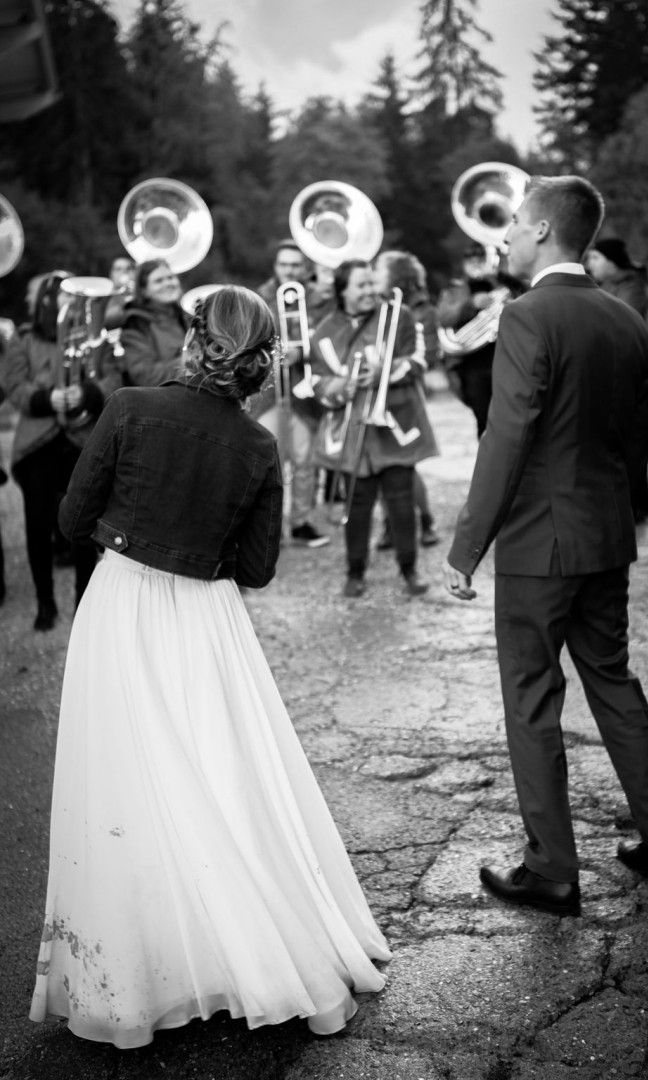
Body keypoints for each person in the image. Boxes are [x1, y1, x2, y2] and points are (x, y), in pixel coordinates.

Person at [29, 286, 391, 1048]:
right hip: (207, 619)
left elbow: (70, 520)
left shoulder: (128, 409)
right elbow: (256, 568)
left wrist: (135, 532)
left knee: (127, 783)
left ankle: (144, 974)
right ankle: (254, 951)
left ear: (194, 342)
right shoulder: (258, 446)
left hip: (121, 608)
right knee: (220, 782)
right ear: (258, 362)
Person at [443, 175, 648, 918]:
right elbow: (637, 437)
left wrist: (466, 546)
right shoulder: (625, 319)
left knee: (531, 699)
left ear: (544, 230)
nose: (505, 237)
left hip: (538, 544)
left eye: (515, 224)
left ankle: (551, 870)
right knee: (614, 682)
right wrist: (615, 511)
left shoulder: (526, 315)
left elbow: (507, 435)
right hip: (605, 534)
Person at [310, 259, 439, 598]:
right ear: (343, 291)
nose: (370, 291)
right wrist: (342, 386)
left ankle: (409, 569)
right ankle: (355, 572)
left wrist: (387, 370)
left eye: (372, 283)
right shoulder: (323, 332)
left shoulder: (399, 316)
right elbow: (317, 383)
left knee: (401, 501)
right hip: (352, 431)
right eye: (361, 285)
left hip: (394, 426)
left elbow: (421, 359)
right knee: (357, 505)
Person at [2, 271, 122, 629]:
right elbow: (13, 384)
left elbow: (113, 378)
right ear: (47, 302)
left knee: (84, 525)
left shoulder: (96, 336)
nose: (73, 302)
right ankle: (45, 603)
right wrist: (46, 398)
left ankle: (85, 602)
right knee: (37, 525)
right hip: (38, 441)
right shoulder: (25, 339)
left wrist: (86, 393)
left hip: (82, 439)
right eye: (65, 296)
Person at [252, 240, 334, 548]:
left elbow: (330, 338)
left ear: (305, 267)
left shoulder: (319, 299)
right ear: (276, 266)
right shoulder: (260, 297)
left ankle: (300, 522)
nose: (289, 270)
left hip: (305, 393)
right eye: (284, 264)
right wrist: (275, 352)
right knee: (268, 462)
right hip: (269, 392)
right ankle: (266, 526)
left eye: (296, 265)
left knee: (304, 460)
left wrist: (303, 350)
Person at [373, 250, 440, 549]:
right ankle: (390, 523)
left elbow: (429, 355)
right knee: (381, 464)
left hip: (404, 394)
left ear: (395, 276)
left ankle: (425, 519)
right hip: (375, 393)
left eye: (379, 269)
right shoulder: (374, 306)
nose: (373, 273)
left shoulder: (421, 309)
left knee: (406, 465)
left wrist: (388, 367)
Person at [586, 237, 648, 522]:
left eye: (596, 258)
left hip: (626, 369)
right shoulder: (601, 286)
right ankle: (635, 503)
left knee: (631, 439)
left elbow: (621, 320)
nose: (590, 263)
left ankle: (633, 505)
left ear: (612, 261)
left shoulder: (632, 286)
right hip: (609, 368)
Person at [437, 241, 524, 440]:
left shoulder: (505, 284)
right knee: (484, 421)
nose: (476, 262)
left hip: (508, 360)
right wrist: (471, 304)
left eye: (481, 258)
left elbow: (527, 294)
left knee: (513, 420)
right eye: (471, 259)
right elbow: (443, 317)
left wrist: (500, 280)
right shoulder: (455, 288)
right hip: (473, 365)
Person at [119, 258, 190, 386]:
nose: (168, 283)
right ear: (144, 291)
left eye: (170, 277)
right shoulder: (135, 324)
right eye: (159, 281)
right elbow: (146, 376)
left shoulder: (185, 314)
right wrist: (191, 361)